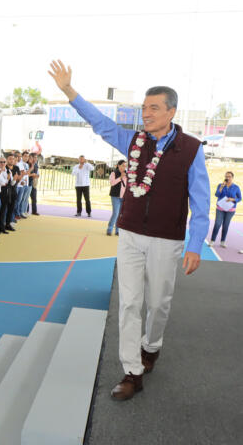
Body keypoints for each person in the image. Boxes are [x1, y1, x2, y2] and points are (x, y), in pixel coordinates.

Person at [49, 60, 209, 401]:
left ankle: (151, 346)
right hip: (131, 233)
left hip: (167, 239)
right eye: (143, 107)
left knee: (158, 302)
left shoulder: (192, 149)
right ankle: (131, 372)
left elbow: (201, 203)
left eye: (153, 108)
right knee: (130, 302)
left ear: (171, 112)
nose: (146, 113)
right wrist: (68, 91)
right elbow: (99, 122)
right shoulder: (133, 141)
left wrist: (195, 245)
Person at [209, 171, 240, 248]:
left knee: (225, 225)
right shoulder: (220, 185)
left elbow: (239, 198)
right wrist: (221, 187)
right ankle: (212, 241)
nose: (227, 178)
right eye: (226, 176)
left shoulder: (236, 187)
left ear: (232, 178)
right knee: (217, 224)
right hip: (220, 208)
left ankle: (222, 242)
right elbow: (217, 194)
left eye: (229, 176)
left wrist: (233, 199)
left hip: (230, 210)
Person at [107, 160, 127, 236]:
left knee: (120, 214)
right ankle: (109, 229)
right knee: (115, 213)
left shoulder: (127, 174)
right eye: (123, 165)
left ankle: (117, 230)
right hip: (115, 196)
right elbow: (112, 183)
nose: (124, 167)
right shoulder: (114, 173)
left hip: (123, 197)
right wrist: (120, 177)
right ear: (118, 165)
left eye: (125, 166)